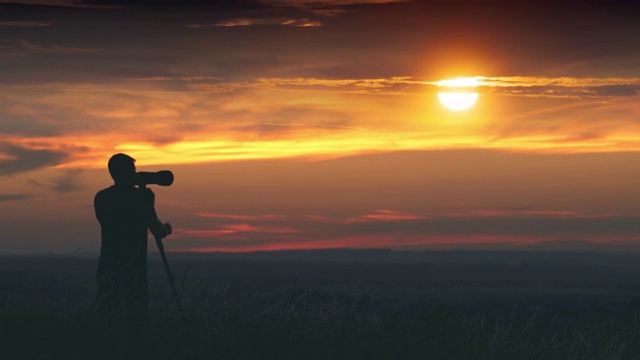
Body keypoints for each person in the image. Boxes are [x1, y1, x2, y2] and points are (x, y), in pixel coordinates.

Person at [94, 153, 171, 326]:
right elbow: (156, 230)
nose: (135, 175)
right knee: (137, 311)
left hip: (108, 261)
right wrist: (165, 227)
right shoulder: (140, 198)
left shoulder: (102, 197)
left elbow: (107, 222)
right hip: (134, 263)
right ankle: (137, 345)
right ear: (126, 173)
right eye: (133, 171)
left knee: (108, 310)